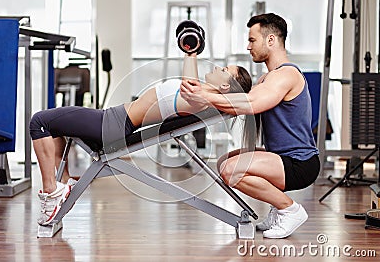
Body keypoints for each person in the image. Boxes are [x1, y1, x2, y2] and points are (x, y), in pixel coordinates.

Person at [30, 53, 253, 226]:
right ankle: (63, 184)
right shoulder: (201, 95)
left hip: (111, 124)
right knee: (54, 124)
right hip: (114, 120)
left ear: (226, 86)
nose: (216, 67)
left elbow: (188, 87)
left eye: (224, 70)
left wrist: (190, 54)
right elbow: (191, 84)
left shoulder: (199, 100)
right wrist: (190, 52)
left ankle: (51, 191)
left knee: (39, 122)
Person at [180, 13, 320, 239]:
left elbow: (251, 104)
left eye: (252, 40)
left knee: (231, 169)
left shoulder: (287, 75)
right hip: (281, 157)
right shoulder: (267, 79)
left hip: (299, 162)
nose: (248, 46)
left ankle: (289, 209)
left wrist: (207, 98)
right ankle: (278, 209)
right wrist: (199, 83)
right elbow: (236, 98)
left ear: (271, 40)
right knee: (225, 162)